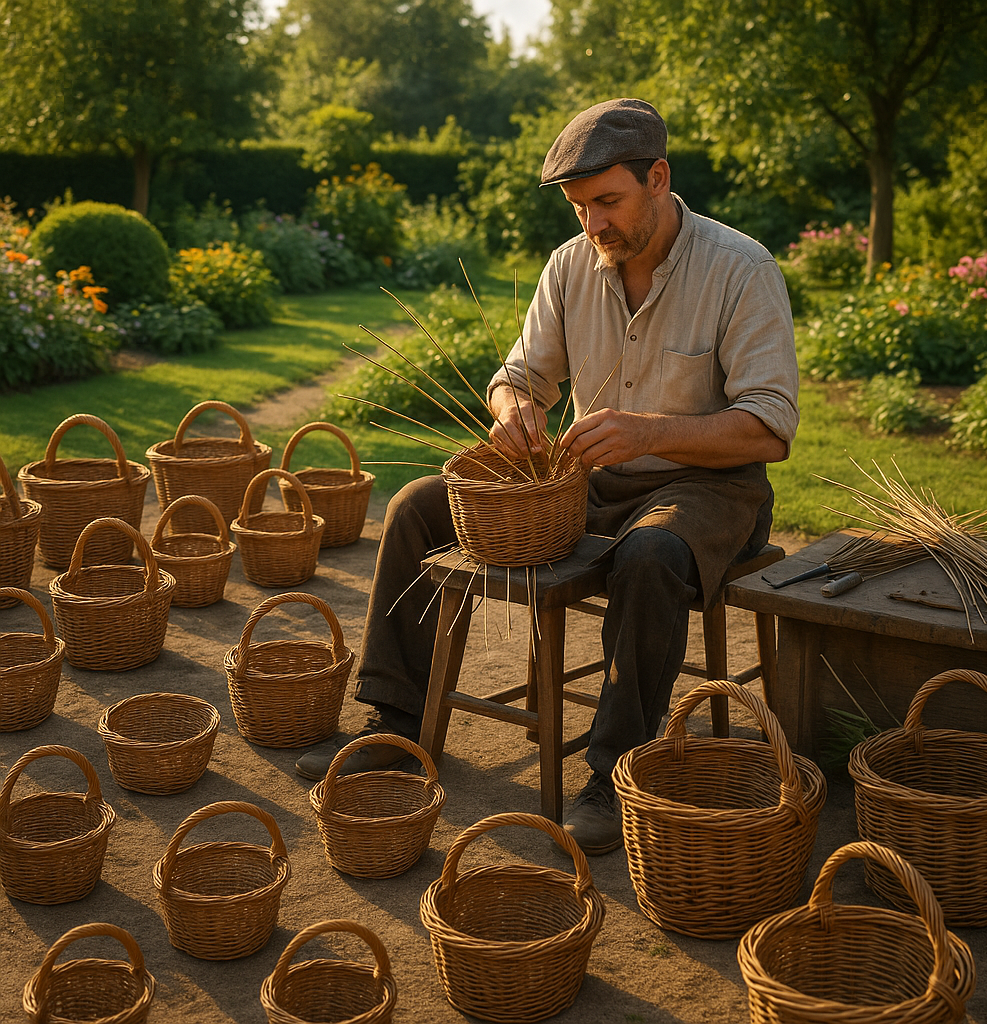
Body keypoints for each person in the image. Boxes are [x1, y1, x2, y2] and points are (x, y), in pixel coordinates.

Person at [295, 97, 800, 856]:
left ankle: (615, 773)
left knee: (651, 554)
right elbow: (518, 377)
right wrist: (515, 411)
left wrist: (649, 432)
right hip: (587, 480)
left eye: (608, 202)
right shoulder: (571, 266)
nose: (593, 224)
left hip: (709, 488)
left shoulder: (740, 269)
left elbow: (770, 427)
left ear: (659, 178)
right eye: (579, 207)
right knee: (417, 508)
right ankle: (395, 724)